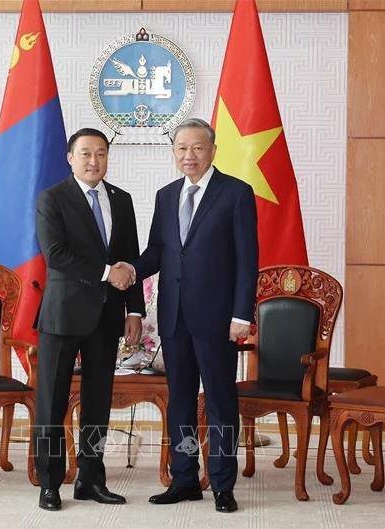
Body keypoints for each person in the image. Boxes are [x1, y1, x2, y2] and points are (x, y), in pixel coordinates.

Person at [119, 118, 258, 513]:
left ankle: (222, 484)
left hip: (218, 319)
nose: (189, 156)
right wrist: (129, 270)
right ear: (173, 152)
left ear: (213, 150)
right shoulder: (166, 196)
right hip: (174, 318)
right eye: (182, 148)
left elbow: (248, 261)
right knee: (179, 401)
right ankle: (183, 479)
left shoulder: (235, 193)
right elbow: (157, 253)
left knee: (220, 402)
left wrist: (241, 315)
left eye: (197, 148)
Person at [33, 128, 143, 511]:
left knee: (98, 402)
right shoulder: (52, 198)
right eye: (86, 154)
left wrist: (135, 310)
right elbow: (55, 255)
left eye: (100, 153)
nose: (94, 161)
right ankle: (49, 483)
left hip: (107, 316)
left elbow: (130, 259)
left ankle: (91, 479)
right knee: (51, 402)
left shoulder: (122, 200)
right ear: (70, 158)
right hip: (62, 315)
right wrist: (105, 272)